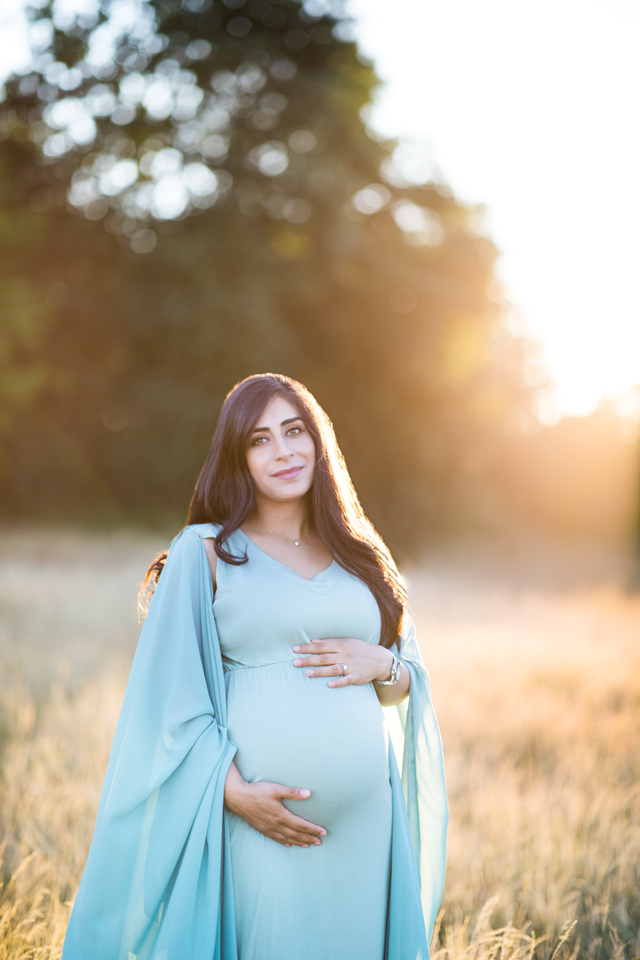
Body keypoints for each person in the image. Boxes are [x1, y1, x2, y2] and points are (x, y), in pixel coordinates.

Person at [61, 373, 448, 960]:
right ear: (237, 457)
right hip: (258, 821)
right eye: (260, 439)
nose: (283, 451)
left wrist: (386, 665)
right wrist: (232, 791)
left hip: (367, 826)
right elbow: (164, 699)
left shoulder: (359, 555)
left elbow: (401, 687)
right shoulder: (207, 551)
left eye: (294, 432)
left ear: (319, 443)